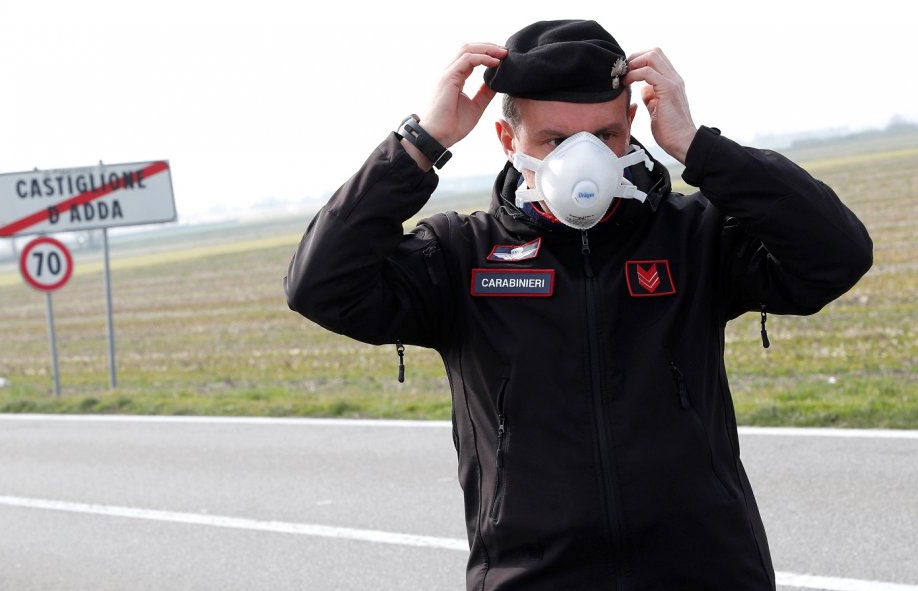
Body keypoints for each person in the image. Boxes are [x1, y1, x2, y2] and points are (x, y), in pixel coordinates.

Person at [284, 19, 872, 590]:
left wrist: (697, 147)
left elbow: (837, 254)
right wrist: (422, 142)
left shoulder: (695, 236)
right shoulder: (462, 256)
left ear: (632, 125)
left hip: (708, 570)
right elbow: (320, 285)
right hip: (532, 576)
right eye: (557, 141)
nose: (584, 158)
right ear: (509, 140)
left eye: (606, 136)